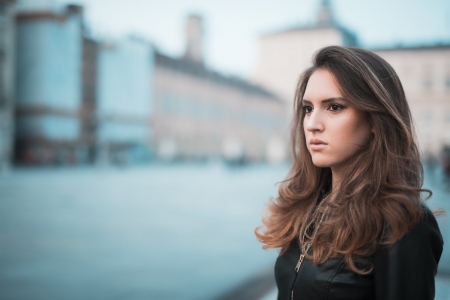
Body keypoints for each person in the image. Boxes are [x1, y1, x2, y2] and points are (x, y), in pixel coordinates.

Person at [255, 46, 444, 300]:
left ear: (376, 120)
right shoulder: (309, 204)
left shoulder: (402, 222)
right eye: (308, 108)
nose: (312, 124)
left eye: (334, 107)